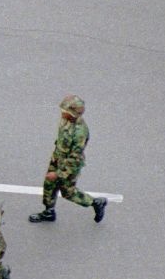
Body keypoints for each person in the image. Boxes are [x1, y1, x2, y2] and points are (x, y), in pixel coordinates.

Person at [29, 94, 108, 224]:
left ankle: (95, 203)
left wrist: (58, 173)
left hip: (69, 165)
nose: (62, 113)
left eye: (65, 111)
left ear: (73, 114)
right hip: (58, 158)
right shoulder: (66, 120)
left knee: (68, 192)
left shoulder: (79, 132)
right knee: (49, 185)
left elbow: (75, 158)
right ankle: (49, 211)